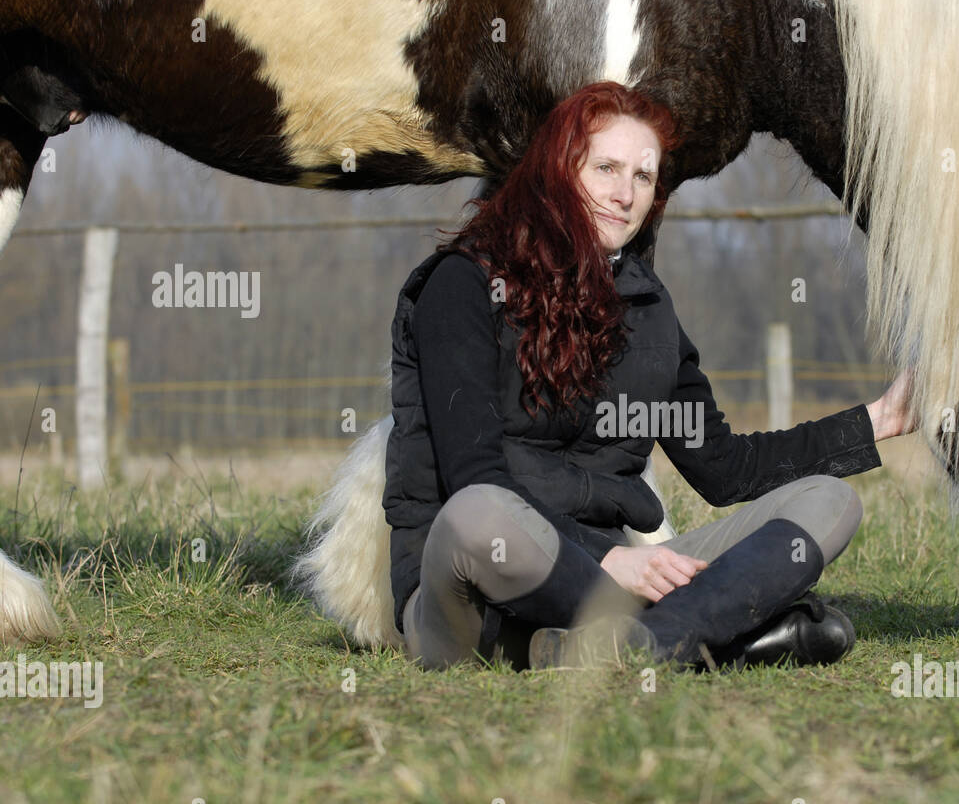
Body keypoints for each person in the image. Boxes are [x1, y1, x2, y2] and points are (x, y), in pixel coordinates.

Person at [383, 81, 916, 671]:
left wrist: (878, 420)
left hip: (616, 580)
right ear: (558, 168)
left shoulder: (647, 306)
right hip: (476, 590)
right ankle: (701, 636)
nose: (624, 194)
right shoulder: (463, 284)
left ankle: (639, 646)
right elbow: (469, 476)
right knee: (479, 514)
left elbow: (725, 468)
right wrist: (609, 563)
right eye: (606, 167)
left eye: (643, 176)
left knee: (829, 501)